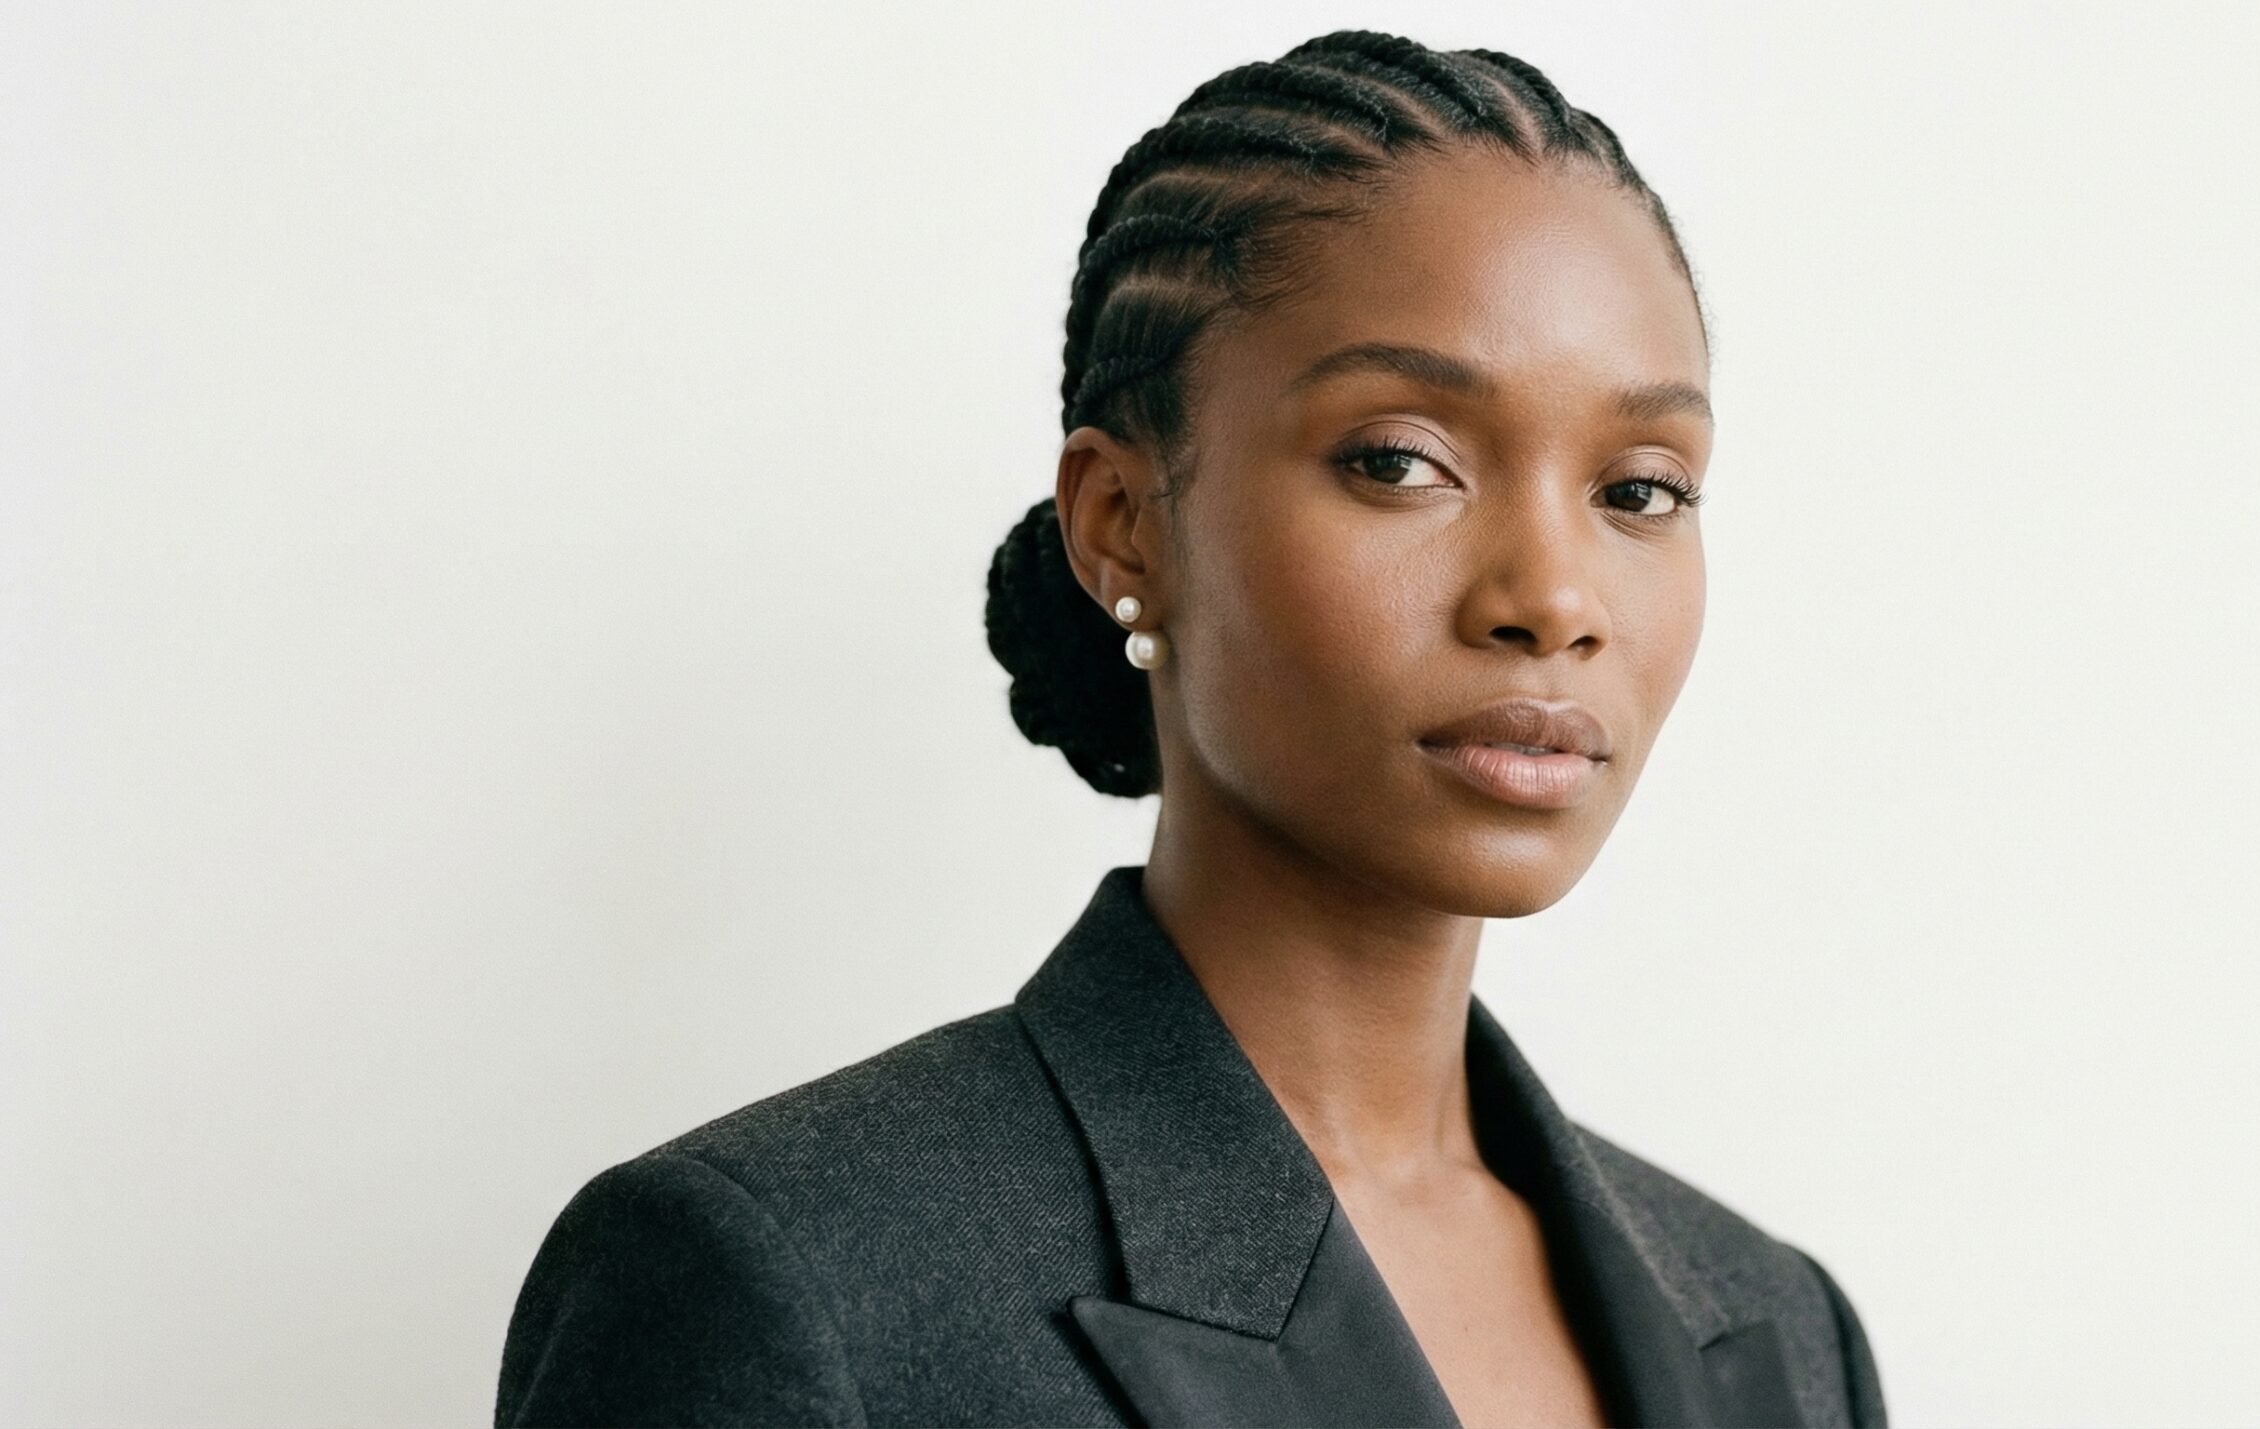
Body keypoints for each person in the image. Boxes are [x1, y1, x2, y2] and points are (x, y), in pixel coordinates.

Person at [496, 28, 1886, 1428]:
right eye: (1400, 460)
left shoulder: (1781, 1327)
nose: (1554, 597)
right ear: (1125, 524)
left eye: (1641, 490)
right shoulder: (788, 1282)